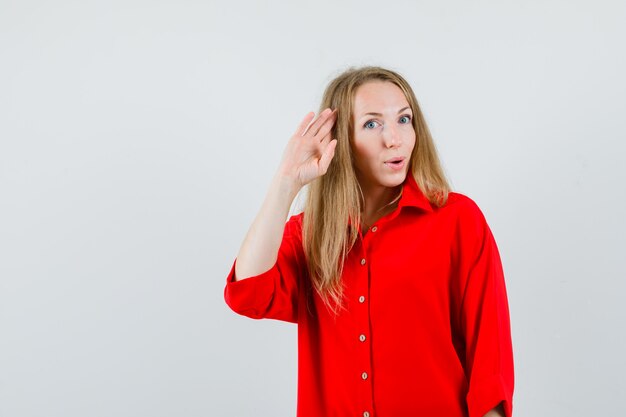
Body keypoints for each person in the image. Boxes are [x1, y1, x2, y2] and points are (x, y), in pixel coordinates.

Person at [224, 66, 514, 417]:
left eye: (404, 120)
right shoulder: (311, 234)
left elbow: (490, 362)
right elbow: (248, 293)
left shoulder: (458, 220)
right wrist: (286, 181)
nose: (394, 138)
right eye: (372, 124)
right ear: (340, 140)